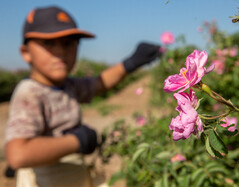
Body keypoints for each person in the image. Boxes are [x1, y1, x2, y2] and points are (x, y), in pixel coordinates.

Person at [4, 5, 161, 187]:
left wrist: (131, 63)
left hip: (72, 177)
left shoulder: (67, 86)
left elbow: (98, 84)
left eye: (69, 43)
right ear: (26, 53)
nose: (61, 51)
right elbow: (18, 155)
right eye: (48, 43)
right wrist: (77, 141)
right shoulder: (30, 93)